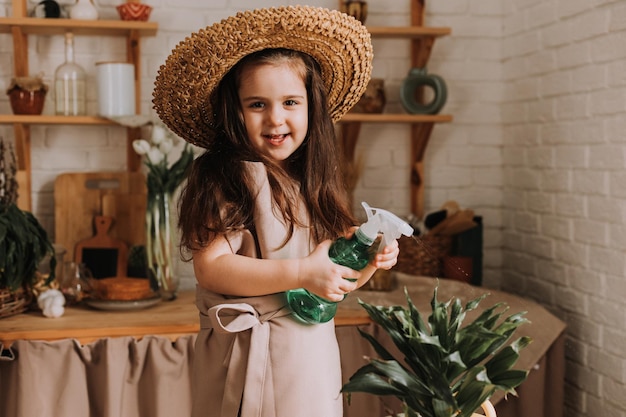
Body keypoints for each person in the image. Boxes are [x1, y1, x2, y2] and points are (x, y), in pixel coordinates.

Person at [152, 5, 399, 417]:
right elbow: (211, 267)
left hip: (310, 358)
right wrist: (303, 271)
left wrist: (369, 259)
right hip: (253, 357)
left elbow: (331, 281)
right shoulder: (226, 176)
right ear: (234, 110)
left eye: (289, 101)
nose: (276, 118)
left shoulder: (309, 181)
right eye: (257, 105)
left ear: (311, 108)